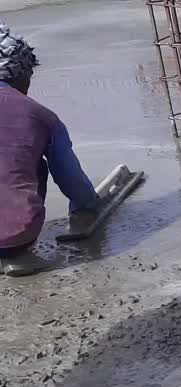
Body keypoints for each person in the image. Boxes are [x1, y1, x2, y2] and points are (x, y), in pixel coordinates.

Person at [0, 22, 98, 278]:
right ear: (19, 73)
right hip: (13, 240)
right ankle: (13, 251)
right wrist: (87, 206)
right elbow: (71, 178)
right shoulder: (41, 116)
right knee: (35, 163)